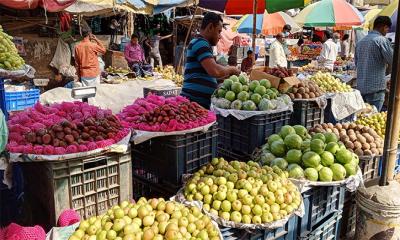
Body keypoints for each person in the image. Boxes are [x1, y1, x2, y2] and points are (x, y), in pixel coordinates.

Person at [181, 12, 240, 109]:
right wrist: (232, 69)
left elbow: (207, 73)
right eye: (219, 31)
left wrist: (223, 78)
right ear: (210, 27)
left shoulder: (202, 44)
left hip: (197, 105)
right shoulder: (200, 43)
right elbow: (215, 71)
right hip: (192, 104)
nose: (220, 36)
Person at [355, 16, 393, 111]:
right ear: (384, 27)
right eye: (387, 30)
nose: (386, 33)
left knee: (363, 119)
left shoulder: (360, 42)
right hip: (375, 89)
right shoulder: (381, 40)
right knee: (373, 120)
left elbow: (357, 63)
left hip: (361, 88)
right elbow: (393, 60)